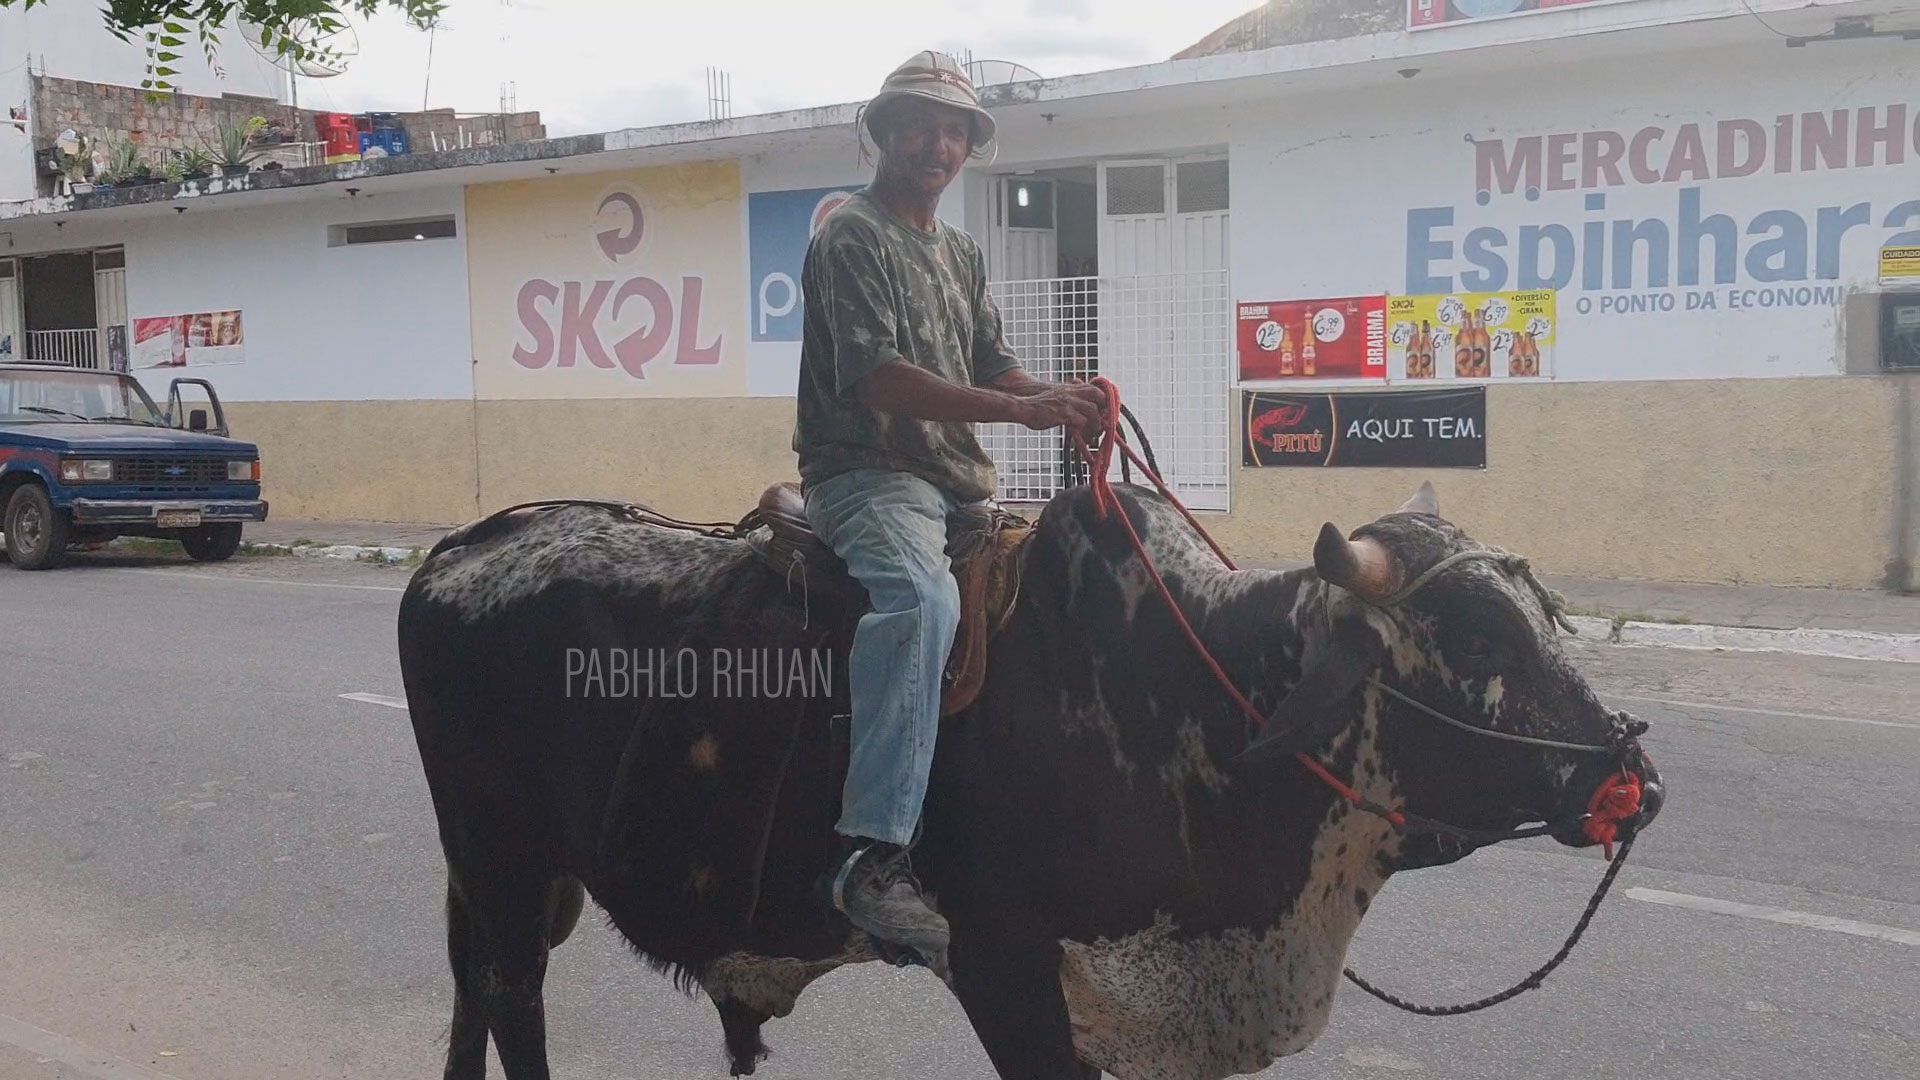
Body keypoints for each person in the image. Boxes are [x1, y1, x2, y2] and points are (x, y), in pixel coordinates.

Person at [793, 51, 1107, 966]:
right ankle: (870, 859)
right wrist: (1023, 411)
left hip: (952, 480)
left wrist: (1061, 395)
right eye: (923, 126)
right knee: (920, 605)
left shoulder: (958, 251)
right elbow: (881, 381)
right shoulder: (851, 235)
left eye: (957, 131)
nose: (940, 144)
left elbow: (991, 364)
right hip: (868, 473)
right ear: (883, 132)